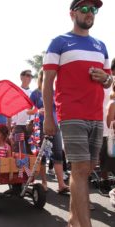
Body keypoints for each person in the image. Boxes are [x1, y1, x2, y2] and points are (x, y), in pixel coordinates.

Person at [42, 1, 112, 226]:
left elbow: (109, 80)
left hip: (95, 116)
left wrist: (106, 78)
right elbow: (47, 83)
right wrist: (48, 117)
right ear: (72, 13)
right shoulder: (59, 42)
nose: (89, 13)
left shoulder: (101, 46)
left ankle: (73, 219)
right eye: (84, 9)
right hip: (71, 114)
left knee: (88, 169)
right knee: (80, 168)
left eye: (93, 9)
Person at [30, 70, 69, 193]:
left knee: (58, 153)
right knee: (41, 155)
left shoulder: (55, 92)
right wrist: (37, 111)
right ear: (42, 77)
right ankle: (44, 182)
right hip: (41, 126)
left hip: (56, 126)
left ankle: (61, 184)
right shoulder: (35, 93)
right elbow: (27, 110)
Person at [100, 58, 115, 196]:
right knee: (106, 156)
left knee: (106, 156)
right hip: (106, 125)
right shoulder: (109, 81)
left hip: (106, 125)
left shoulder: (106, 81)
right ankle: (104, 182)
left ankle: (105, 181)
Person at [11, 70, 33, 153]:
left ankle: (30, 166)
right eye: (28, 75)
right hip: (18, 125)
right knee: (17, 149)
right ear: (21, 77)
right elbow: (11, 108)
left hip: (30, 125)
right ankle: (17, 166)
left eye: (31, 76)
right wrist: (10, 125)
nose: (30, 78)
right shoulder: (16, 91)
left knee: (31, 150)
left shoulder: (33, 93)